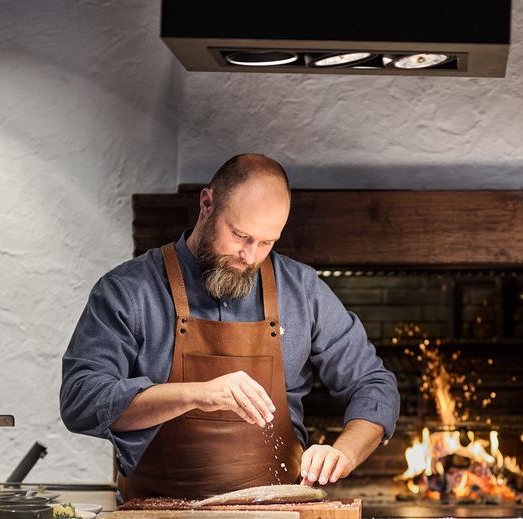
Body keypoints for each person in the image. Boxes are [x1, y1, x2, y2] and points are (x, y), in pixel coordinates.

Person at [60, 154, 400, 501]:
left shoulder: (302, 290)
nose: (250, 256)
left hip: (277, 518)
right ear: (207, 204)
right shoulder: (128, 290)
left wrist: (345, 452)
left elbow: (373, 382)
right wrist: (197, 394)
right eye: (240, 235)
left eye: (267, 242)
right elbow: (81, 399)